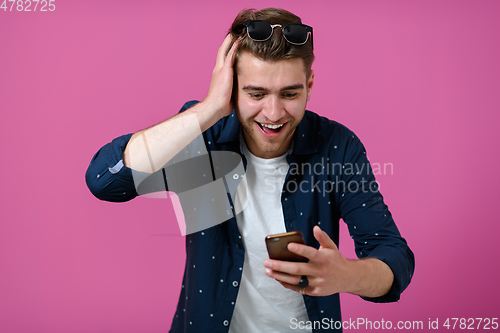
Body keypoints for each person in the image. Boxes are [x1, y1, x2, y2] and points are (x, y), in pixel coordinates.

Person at [85, 7, 414, 333]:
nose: (273, 113)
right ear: (231, 86)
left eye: (290, 93)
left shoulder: (337, 147)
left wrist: (346, 276)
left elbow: (394, 256)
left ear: (309, 84)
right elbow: (106, 180)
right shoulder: (203, 136)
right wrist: (210, 108)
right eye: (256, 93)